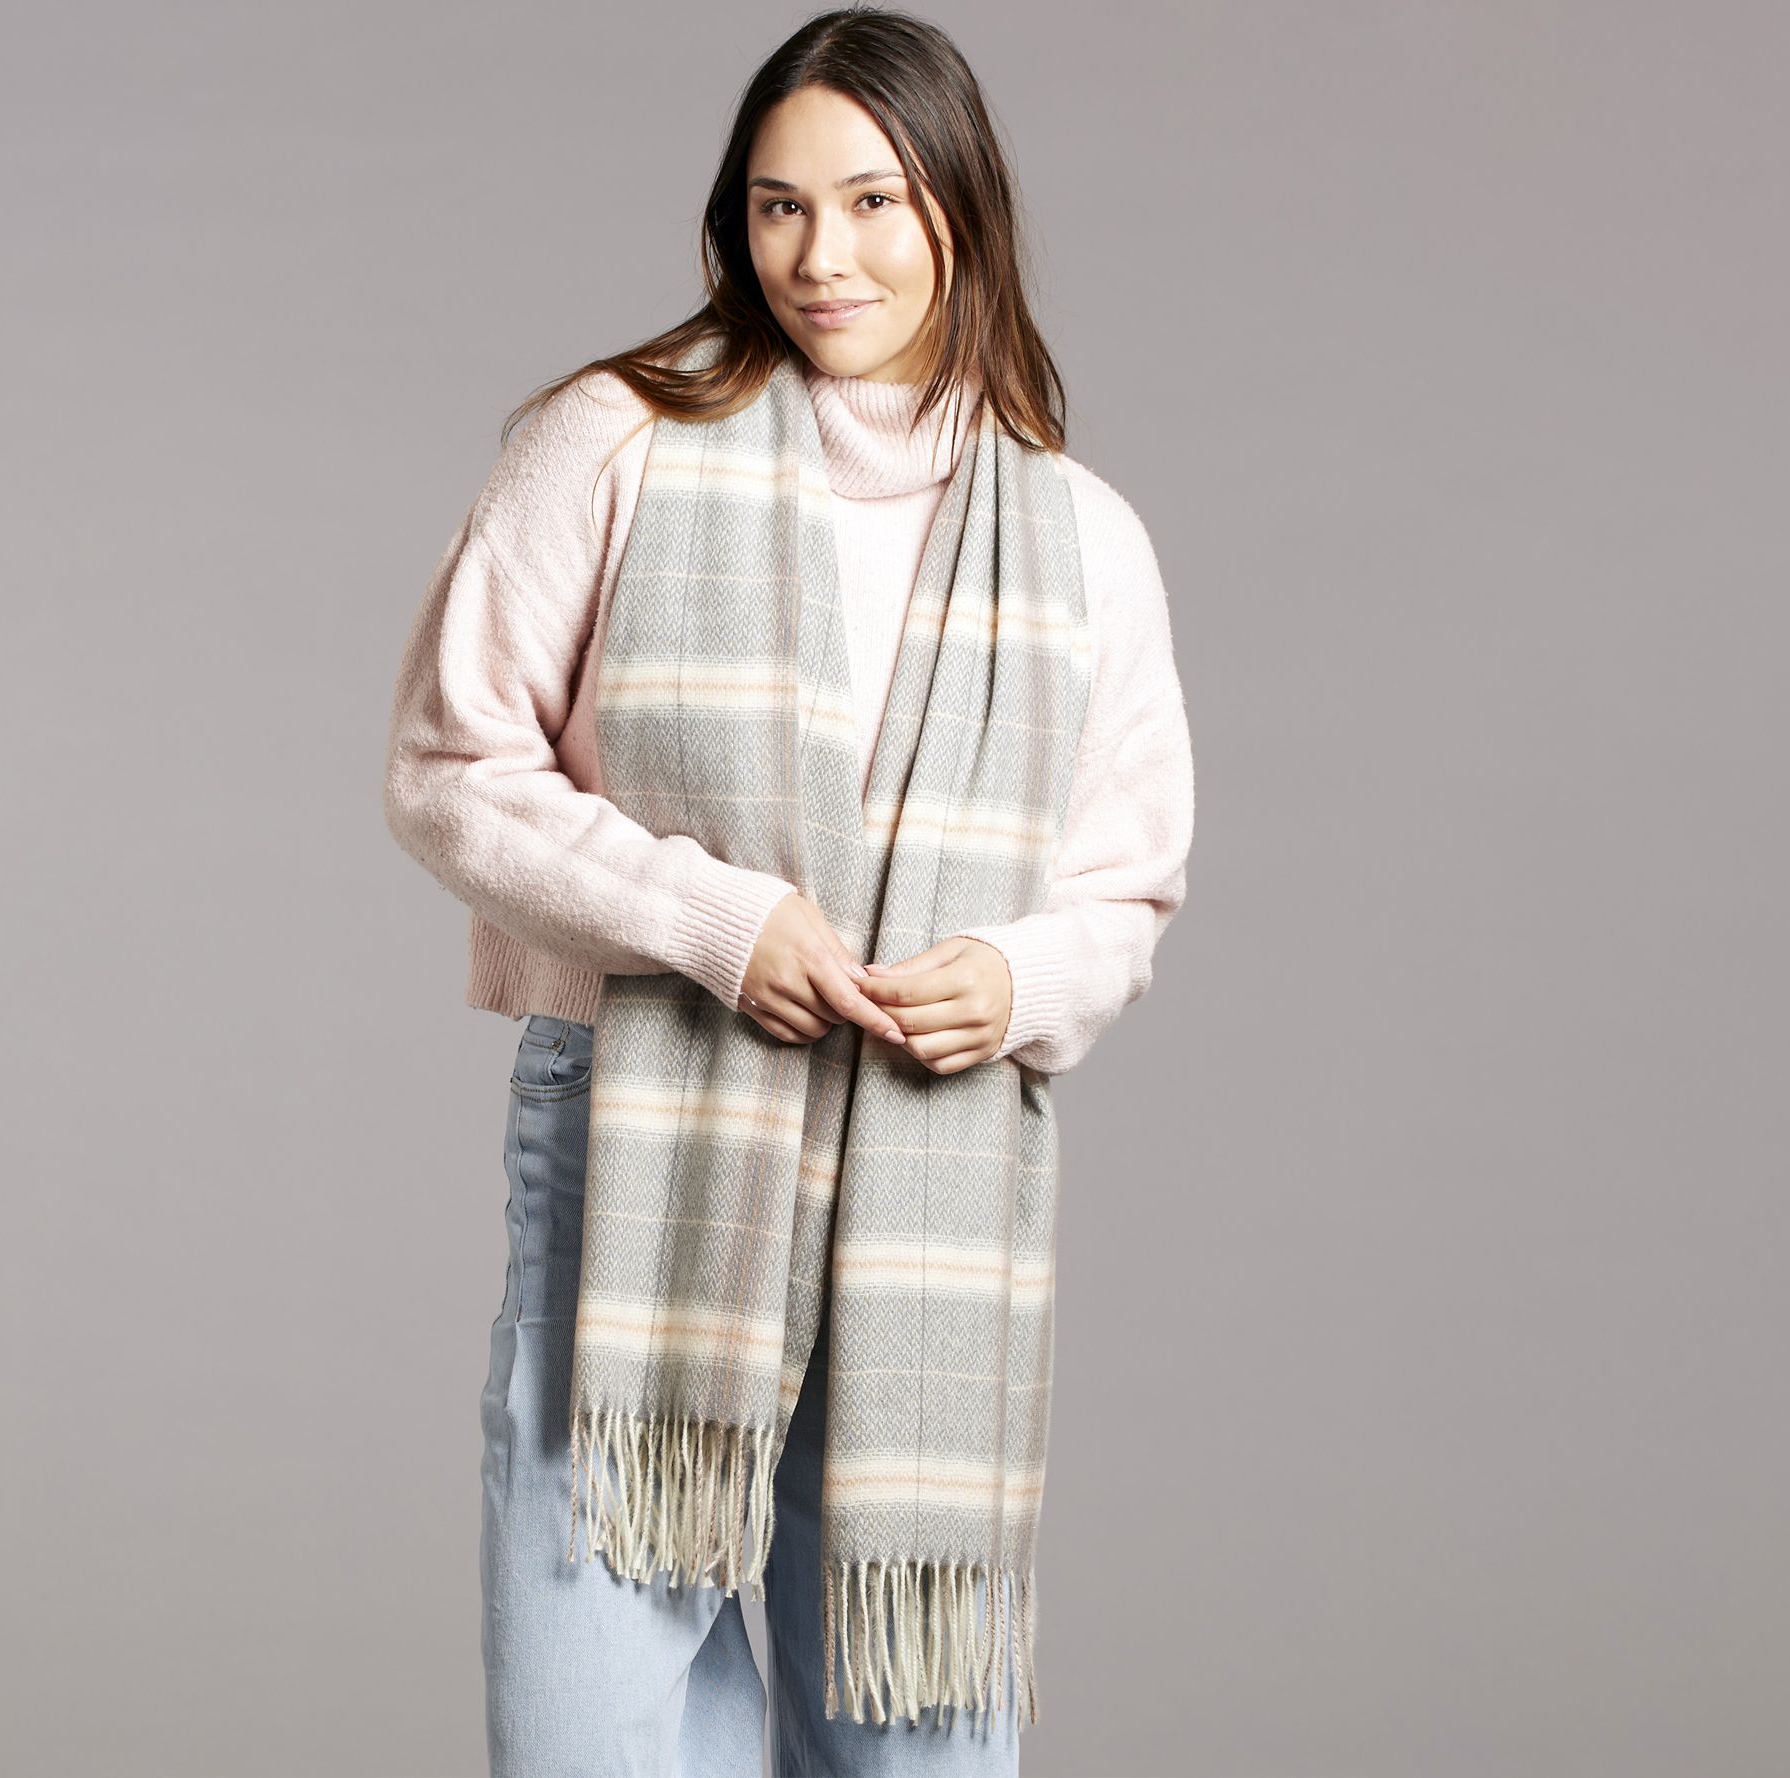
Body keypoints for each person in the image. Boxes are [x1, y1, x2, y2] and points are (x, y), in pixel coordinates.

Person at [382, 9, 1195, 1773]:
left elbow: (1126, 888)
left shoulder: (1082, 539)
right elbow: (452, 768)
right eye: (778, 206)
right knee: (592, 1730)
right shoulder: (614, 440)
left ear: (961, 208)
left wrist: (1018, 974)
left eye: (873, 201)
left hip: (929, 1175)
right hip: (639, 1140)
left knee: (913, 1740)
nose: (821, 256)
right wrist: (715, 924)